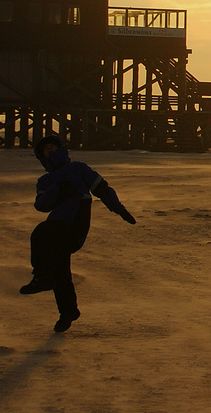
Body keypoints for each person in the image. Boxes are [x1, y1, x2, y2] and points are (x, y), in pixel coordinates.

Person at [20, 133, 136, 332]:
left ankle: (42, 277)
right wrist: (57, 189)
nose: (50, 151)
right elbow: (41, 206)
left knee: (43, 233)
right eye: (45, 150)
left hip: (75, 225)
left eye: (52, 147)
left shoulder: (78, 168)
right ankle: (68, 312)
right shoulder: (45, 181)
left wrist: (119, 209)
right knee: (59, 269)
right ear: (42, 157)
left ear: (60, 148)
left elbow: (102, 189)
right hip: (56, 226)